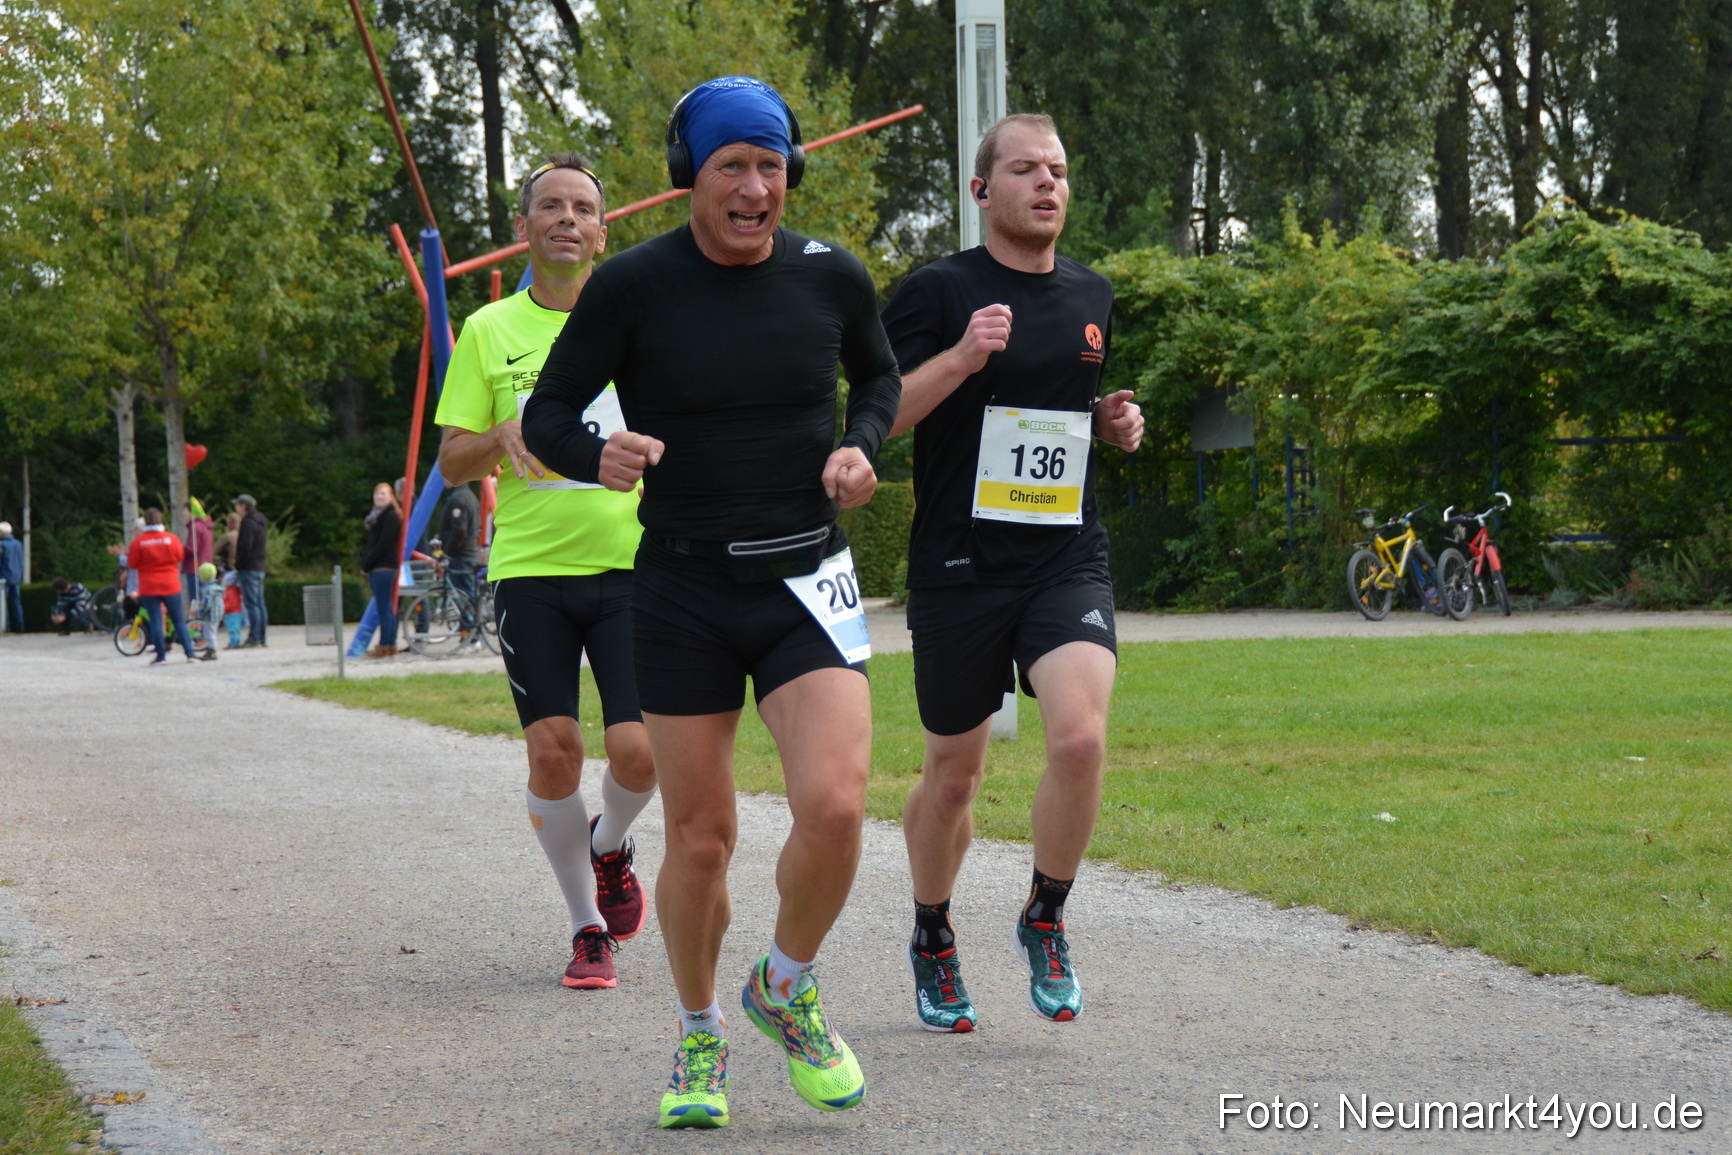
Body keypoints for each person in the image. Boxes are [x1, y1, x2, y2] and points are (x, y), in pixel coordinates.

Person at [522, 78, 900, 1130]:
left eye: (770, 166)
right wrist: (597, 453)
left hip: (805, 579)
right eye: (730, 165)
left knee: (832, 804)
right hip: (682, 585)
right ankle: (698, 1037)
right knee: (700, 837)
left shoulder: (833, 278)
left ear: (790, 176)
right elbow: (548, 411)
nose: (752, 186)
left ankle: (785, 984)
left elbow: (879, 381)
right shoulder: (633, 286)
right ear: (692, 177)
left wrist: (862, 445)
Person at [879, 113, 1144, 1032]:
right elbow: (878, 416)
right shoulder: (936, 291)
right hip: (959, 566)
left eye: (1059, 170)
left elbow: (1064, 413)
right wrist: (960, 355)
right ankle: (933, 933)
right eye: (1025, 168)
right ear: (981, 189)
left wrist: (1110, 420)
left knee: (1078, 739)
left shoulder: (1094, 293)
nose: (1047, 183)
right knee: (954, 775)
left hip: (1066, 557)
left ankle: (1045, 914)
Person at [434, 151, 658, 995]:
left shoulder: (638, 320)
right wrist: (501, 436)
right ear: (524, 229)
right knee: (555, 751)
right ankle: (586, 925)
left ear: (604, 231)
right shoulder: (491, 330)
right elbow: (452, 462)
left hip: (635, 563)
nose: (567, 218)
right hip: (531, 569)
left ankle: (610, 846)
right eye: (550, 207)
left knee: (641, 753)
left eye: (583, 208)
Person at [127, 508, 201, 666]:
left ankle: (161, 656)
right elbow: (180, 556)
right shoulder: (171, 538)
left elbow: (132, 563)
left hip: (149, 586)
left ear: (145, 521)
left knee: (155, 621)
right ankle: (190, 654)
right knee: (179, 621)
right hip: (170, 584)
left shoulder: (138, 542)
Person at [359, 482, 403, 658]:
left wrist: (366, 564)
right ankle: (389, 644)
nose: (379, 497)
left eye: (383, 494)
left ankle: (386, 645)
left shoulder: (390, 516)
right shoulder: (378, 516)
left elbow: (382, 545)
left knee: (384, 608)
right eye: (377, 494)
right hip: (382, 566)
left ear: (390, 496)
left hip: (383, 566)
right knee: (386, 608)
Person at [438, 479, 482, 647]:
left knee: (464, 599)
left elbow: (460, 530)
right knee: (468, 597)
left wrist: (447, 552)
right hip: (470, 554)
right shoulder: (470, 496)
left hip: (461, 557)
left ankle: (470, 638)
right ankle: (471, 636)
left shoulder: (458, 499)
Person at [232, 495, 269, 646]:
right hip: (259, 565)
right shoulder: (261, 521)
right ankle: (262, 637)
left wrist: (238, 563)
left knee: (252, 604)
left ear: (243, 506)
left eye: (237, 505)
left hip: (248, 567)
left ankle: (254, 638)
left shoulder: (248, 522)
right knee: (260, 603)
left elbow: (245, 546)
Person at [179, 498, 214, 619]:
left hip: (195, 568)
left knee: (196, 599)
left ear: (191, 512)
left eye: (185, 511)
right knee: (204, 597)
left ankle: (197, 625)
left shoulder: (195, 527)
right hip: (205, 567)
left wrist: (177, 552)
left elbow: (191, 549)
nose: (184, 514)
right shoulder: (205, 526)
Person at [0, 521, 23, 633]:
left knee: (3, 604)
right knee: (16, 603)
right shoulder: (18, 544)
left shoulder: (2, 545)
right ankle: (20, 627)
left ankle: (6, 627)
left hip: (4, 577)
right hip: (16, 577)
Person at [220, 571, 246, 650]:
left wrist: (223, 608)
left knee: (233, 629)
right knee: (233, 628)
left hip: (233, 613)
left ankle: (234, 643)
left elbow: (232, 604)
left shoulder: (231, 592)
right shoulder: (230, 591)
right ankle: (235, 641)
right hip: (231, 613)